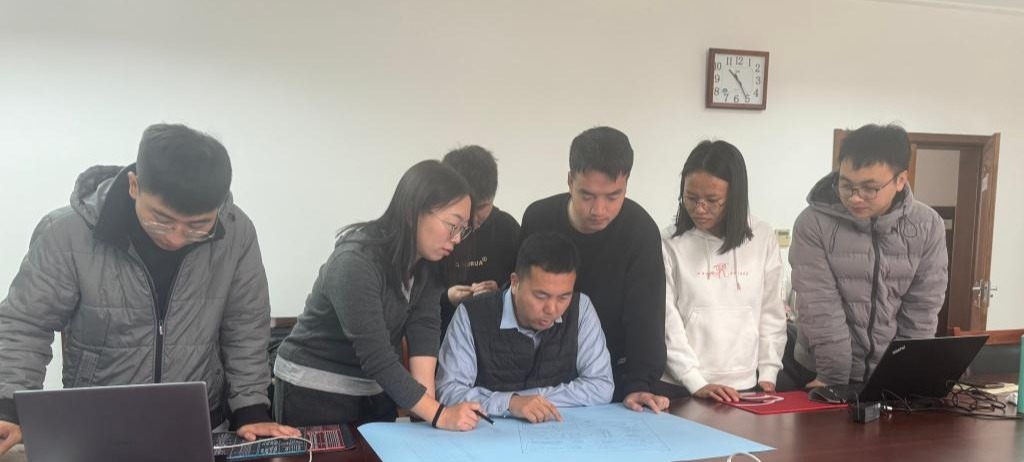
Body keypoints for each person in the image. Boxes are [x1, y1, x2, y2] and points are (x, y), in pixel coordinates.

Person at [0, 123, 298, 457]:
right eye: (161, 220)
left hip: (198, 422)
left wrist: (251, 409)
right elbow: (26, 323)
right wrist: (9, 406)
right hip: (95, 425)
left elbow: (246, 325)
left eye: (198, 226)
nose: (176, 237)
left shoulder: (235, 232)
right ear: (134, 186)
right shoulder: (67, 233)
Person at [274, 160, 483, 432]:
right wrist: (440, 415)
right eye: (453, 225)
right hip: (314, 390)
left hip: (374, 390)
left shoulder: (428, 264)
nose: (457, 239)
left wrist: (428, 411)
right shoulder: (355, 262)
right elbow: (377, 356)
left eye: (463, 229)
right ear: (412, 213)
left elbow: (424, 329)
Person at [520, 126, 669, 413]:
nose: (599, 210)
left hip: (611, 379)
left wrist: (640, 383)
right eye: (587, 195)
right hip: (540, 377)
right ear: (570, 181)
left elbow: (646, 316)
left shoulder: (640, 231)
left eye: (613, 197)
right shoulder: (538, 218)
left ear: (626, 184)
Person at [788, 124, 948, 389]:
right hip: (822, 371)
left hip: (889, 372)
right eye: (846, 185)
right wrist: (833, 379)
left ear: (900, 180)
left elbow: (922, 309)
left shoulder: (928, 226)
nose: (855, 198)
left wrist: (905, 372)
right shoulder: (813, 223)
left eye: (869, 188)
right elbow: (819, 306)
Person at [437, 232, 614, 423]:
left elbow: (601, 385)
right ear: (515, 283)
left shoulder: (581, 308)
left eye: (564, 297)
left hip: (561, 431)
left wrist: (525, 400)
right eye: (541, 296)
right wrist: (510, 403)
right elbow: (448, 391)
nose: (552, 309)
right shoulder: (472, 314)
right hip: (488, 433)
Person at [658, 141, 786, 402]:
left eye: (712, 200)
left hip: (745, 382)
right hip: (682, 384)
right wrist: (694, 380)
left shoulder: (762, 236)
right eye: (691, 198)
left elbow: (771, 310)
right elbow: (666, 318)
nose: (700, 208)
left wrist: (768, 370)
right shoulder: (669, 242)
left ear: (735, 198)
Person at [439, 146, 520, 338]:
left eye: (482, 207)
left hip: (495, 334)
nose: (472, 219)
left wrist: (500, 293)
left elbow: (525, 286)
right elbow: (413, 295)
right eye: (466, 208)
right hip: (443, 330)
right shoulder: (436, 231)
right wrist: (447, 297)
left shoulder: (507, 228)